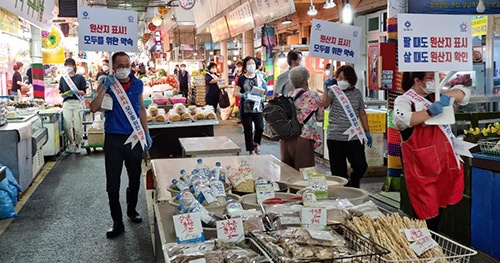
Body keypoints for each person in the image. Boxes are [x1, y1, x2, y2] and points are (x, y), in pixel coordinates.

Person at [392, 71, 470, 231]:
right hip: (422, 171)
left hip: (445, 167)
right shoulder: (405, 100)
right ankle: (424, 251)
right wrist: (428, 113)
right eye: (429, 78)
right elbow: (401, 119)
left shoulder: (437, 97)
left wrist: (447, 96)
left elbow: (464, 93)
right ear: (417, 80)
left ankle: (433, 248)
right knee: (425, 219)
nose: (435, 81)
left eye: (436, 77)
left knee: (439, 215)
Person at [90, 52, 152, 238]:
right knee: (112, 182)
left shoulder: (138, 84)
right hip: (113, 139)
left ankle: (131, 210)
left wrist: (146, 133)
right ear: (113, 67)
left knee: (134, 178)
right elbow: (93, 108)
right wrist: (104, 88)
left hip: (134, 137)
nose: (124, 68)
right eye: (120, 65)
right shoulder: (107, 83)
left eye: (127, 64)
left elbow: (140, 108)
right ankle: (117, 222)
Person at [322, 65, 371, 188]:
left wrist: (367, 131)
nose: (340, 80)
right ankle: (344, 195)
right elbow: (324, 105)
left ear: (351, 79)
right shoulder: (333, 91)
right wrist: (326, 90)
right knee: (338, 172)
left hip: (353, 136)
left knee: (361, 165)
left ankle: (354, 181)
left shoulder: (357, 93)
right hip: (335, 137)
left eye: (343, 78)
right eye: (338, 78)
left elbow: (362, 113)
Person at [281, 66, 323, 170]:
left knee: (289, 174)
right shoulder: (313, 95)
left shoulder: (287, 96)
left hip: (286, 138)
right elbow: (320, 117)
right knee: (305, 174)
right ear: (306, 81)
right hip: (304, 138)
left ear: (292, 82)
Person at [235, 56, 267, 155]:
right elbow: (236, 92)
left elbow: (265, 91)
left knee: (260, 127)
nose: (251, 66)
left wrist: (264, 89)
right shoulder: (241, 78)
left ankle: (256, 143)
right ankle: (250, 150)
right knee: (248, 129)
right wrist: (244, 95)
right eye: (249, 64)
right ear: (245, 66)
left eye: (253, 63)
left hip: (257, 107)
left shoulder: (260, 77)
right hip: (246, 107)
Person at [59, 58, 87, 154]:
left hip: (77, 103)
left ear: (74, 66)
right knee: (67, 126)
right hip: (67, 103)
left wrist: (76, 91)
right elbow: (61, 92)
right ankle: (71, 142)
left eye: (70, 65)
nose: (68, 67)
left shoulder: (80, 78)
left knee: (78, 126)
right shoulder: (63, 78)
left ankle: (78, 144)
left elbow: (84, 92)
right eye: (66, 65)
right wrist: (65, 94)